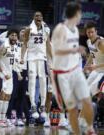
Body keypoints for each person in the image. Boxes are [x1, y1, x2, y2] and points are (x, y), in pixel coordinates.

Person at [51, 2, 96, 135]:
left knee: (87, 101)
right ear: (76, 13)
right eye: (80, 13)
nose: (81, 15)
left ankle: (89, 129)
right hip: (62, 74)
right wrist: (75, 49)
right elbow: (56, 51)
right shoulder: (60, 29)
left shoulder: (75, 29)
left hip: (75, 70)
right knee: (72, 108)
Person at [21, 11, 51, 120]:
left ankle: (42, 106)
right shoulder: (29, 29)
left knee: (43, 80)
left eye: (40, 16)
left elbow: (48, 44)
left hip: (42, 57)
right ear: (33, 18)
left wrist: (52, 58)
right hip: (31, 57)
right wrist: (21, 57)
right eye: (36, 16)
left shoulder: (46, 29)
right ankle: (33, 105)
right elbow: (24, 44)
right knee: (32, 79)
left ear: (42, 18)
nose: (38, 17)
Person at [79, 21, 104, 128]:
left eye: (92, 32)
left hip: (102, 71)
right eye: (88, 32)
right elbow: (91, 55)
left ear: (96, 31)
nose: (90, 34)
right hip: (95, 71)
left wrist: (95, 67)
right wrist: (85, 67)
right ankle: (81, 120)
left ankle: (83, 121)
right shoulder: (89, 41)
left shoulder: (101, 43)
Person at [0, 29, 21, 127]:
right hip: (2, 74)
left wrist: (18, 74)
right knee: (2, 96)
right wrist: (4, 72)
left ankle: (3, 118)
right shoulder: (4, 46)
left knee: (7, 97)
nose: (14, 37)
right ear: (8, 36)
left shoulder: (15, 48)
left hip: (10, 75)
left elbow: (13, 63)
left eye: (15, 36)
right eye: (12, 35)